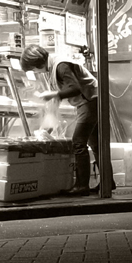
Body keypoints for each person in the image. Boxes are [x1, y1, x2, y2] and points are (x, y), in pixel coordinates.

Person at [19, 44, 114, 196]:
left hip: (92, 101)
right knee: (96, 144)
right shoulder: (52, 67)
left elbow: (76, 89)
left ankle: (82, 186)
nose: (35, 73)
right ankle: (108, 182)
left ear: (37, 64)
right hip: (91, 100)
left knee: (78, 142)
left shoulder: (60, 66)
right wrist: (48, 123)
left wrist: (54, 94)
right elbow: (59, 98)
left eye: (33, 69)